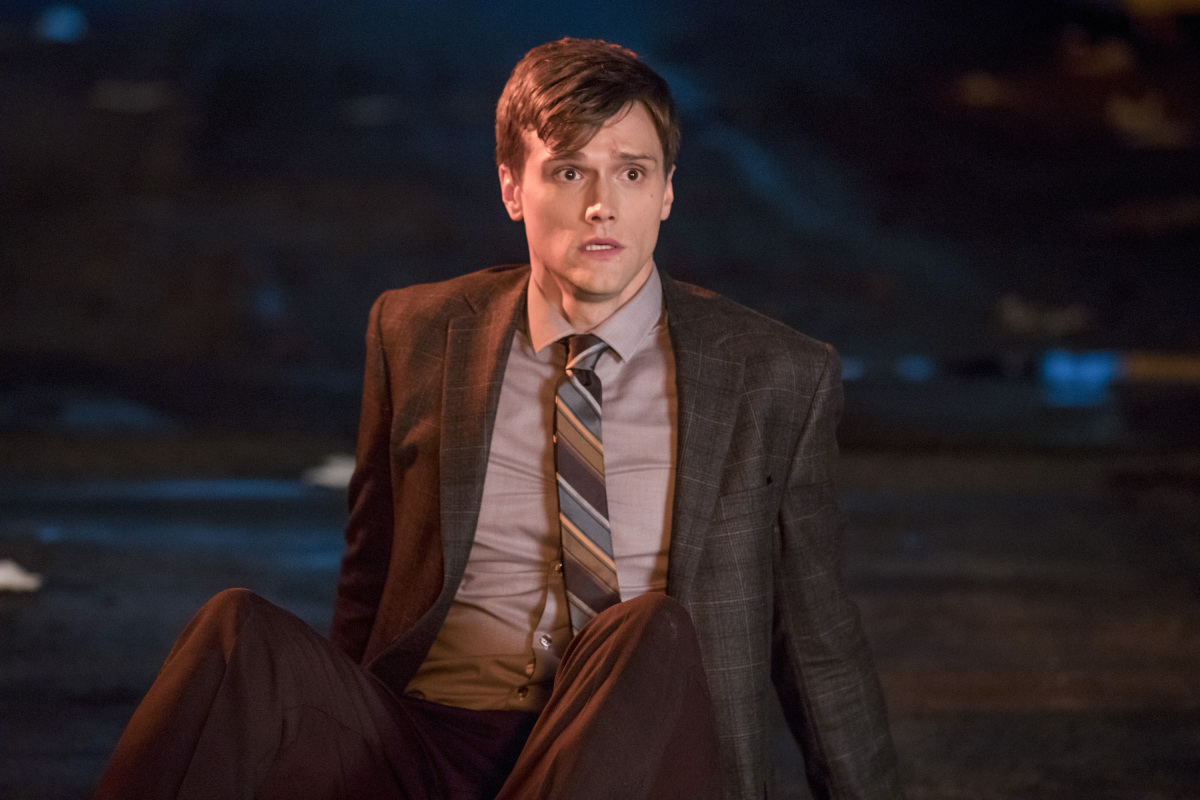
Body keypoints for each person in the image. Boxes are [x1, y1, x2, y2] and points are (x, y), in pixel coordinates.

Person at [94, 38, 901, 800]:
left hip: (635, 749)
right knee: (235, 633)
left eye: (630, 172)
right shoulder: (417, 333)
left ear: (666, 191)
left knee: (645, 630)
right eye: (569, 171)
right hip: (428, 738)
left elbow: (819, 648)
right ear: (513, 187)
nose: (601, 207)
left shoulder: (774, 373)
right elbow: (369, 585)